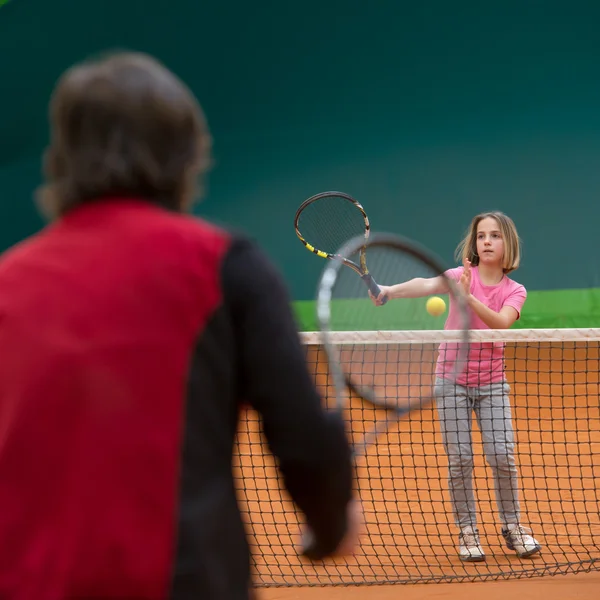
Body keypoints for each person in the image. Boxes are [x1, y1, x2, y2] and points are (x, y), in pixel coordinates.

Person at [0, 52, 361, 599]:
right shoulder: (227, 265)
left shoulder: (7, 283)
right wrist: (332, 520)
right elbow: (302, 436)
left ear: (61, 158)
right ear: (185, 156)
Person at [371, 212, 541, 562]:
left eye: (495, 236)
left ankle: (513, 526)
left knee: (503, 456)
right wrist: (388, 291)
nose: (487, 242)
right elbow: (425, 284)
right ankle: (468, 531)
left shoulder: (515, 291)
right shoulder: (459, 276)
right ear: (474, 244)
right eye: (481, 236)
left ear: (508, 243)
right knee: (460, 458)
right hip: (450, 382)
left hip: (493, 384)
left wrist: (469, 298)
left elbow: (501, 325)